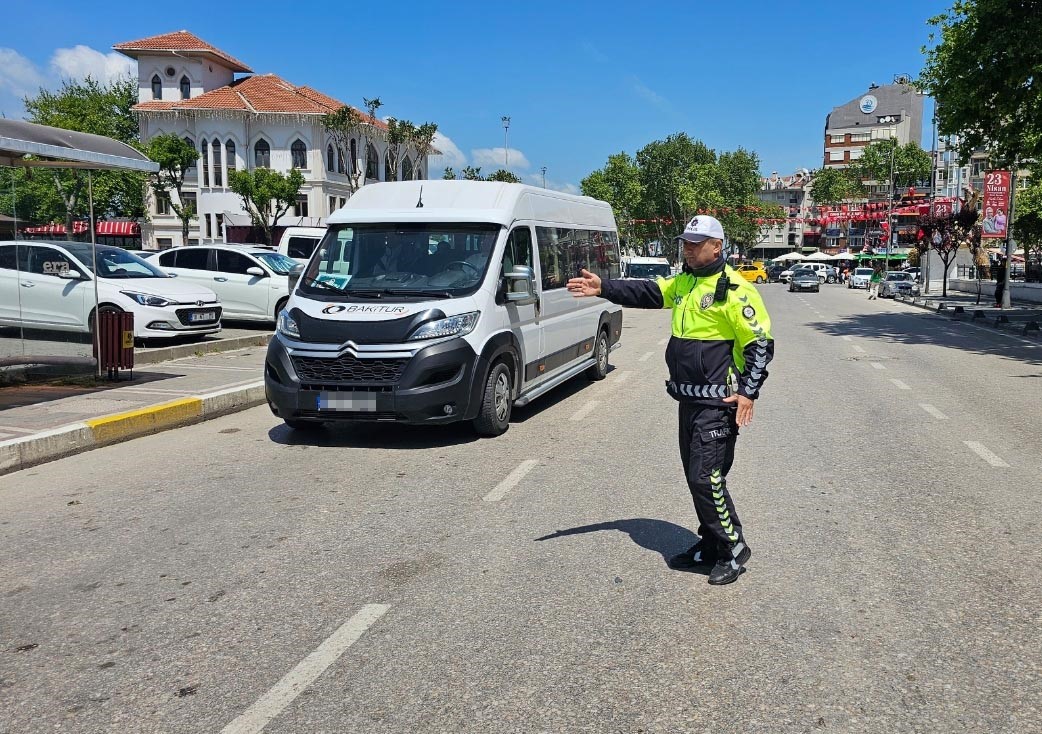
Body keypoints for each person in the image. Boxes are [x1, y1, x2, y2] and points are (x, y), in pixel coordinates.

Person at [566, 215, 774, 585]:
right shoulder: (684, 283)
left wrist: (748, 393)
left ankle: (733, 547)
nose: (689, 248)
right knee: (698, 478)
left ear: (717, 246)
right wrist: (605, 288)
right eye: (686, 242)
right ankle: (710, 545)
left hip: (719, 403)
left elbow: (760, 346)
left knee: (706, 478)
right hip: (689, 400)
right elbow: (648, 292)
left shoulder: (737, 290)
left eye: (697, 242)